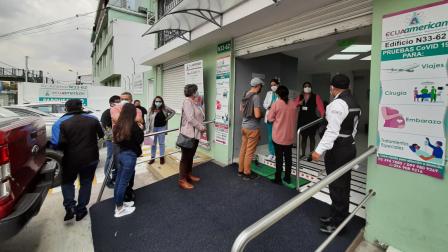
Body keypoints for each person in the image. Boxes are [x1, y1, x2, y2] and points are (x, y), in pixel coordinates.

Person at [311, 74, 361, 234]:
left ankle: (338, 224)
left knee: (337, 185)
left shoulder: (337, 104)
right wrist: (349, 143)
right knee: (342, 185)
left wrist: (318, 150)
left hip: (338, 149)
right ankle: (335, 215)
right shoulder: (354, 101)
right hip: (348, 146)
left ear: (333, 87)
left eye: (330, 87)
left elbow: (332, 131)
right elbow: (353, 129)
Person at [51, 99, 104, 222]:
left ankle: (70, 207)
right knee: (86, 183)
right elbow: (102, 135)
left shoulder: (59, 123)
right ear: (81, 107)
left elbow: (56, 144)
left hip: (70, 159)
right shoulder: (93, 119)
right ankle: (81, 210)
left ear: (66, 109)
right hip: (91, 158)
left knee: (67, 182)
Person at [110, 92, 143, 201]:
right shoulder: (114, 109)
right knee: (120, 172)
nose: (124, 100)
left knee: (129, 172)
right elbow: (118, 119)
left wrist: (127, 117)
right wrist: (131, 119)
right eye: (122, 98)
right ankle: (120, 201)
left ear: (131, 100)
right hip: (119, 145)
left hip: (131, 145)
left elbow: (140, 119)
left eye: (126, 99)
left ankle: (128, 191)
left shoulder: (137, 110)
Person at [267, 86, 298, 184]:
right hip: (289, 137)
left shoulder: (276, 104)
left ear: (277, 94)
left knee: (279, 159)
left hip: (278, 137)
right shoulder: (293, 104)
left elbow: (270, 119)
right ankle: (287, 178)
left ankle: (278, 179)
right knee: (288, 158)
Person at [178, 84, 206, 190]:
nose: (198, 92)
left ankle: (188, 174)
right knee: (185, 158)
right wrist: (201, 127)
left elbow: (200, 115)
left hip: (195, 134)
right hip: (189, 134)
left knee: (190, 156)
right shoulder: (187, 102)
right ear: (193, 92)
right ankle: (182, 180)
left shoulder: (194, 102)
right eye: (196, 91)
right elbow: (190, 118)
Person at [239, 77, 264, 180]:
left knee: (243, 149)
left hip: (244, 126)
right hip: (253, 128)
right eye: (261, 86)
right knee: (249, 151)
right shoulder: (256, 97)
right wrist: (263, 113)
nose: (261, 88)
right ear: (257, 86)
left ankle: (240, 170)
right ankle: (247, 172)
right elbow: (257, 115)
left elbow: (241, 110)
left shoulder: (245, 94)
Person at [295, 81, 325, 161]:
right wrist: (299, 103)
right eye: (305, 86)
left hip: (312, 120)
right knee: (303, 138)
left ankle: (311, 154)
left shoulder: (316, 96)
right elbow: (294, 105)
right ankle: (303, 154)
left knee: (312, 137)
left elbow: (321, 108)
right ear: (303, 88)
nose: (307, 88)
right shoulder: (300, 96)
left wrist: (323, 116)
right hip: (302, 120)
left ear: (311, 88)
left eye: (308, 86)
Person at [147, 96, 175, 165]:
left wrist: (167, 118)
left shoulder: (165, 108)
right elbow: (147, 119)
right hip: (153, 128)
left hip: (162, 128)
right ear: (154, 102)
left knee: (161, 143)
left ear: (162, 102)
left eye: (160, 101)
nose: (158, 102)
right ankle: (152, 157)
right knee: (153, 144)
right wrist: (147, 129)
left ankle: (162, 157)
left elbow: (173, 112)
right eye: (157, 101)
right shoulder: (151, 109)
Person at [101, 95, 121, 188]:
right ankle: (107, 180)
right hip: (111, 140)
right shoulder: (106, 113)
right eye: (117, 101)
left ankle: (115, 178)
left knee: (117, 160)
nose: (119, 103)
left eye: (119, 101)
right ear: (111, 103)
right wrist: (114, 138)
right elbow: (106, 129)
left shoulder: (120, 111)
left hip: (120, 139)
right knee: (110, 159)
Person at [263, 79, 280, 161]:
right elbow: (264, 104)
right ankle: (271, 153)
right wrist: (268, 106)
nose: (273, 86)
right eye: (271, 85)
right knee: (270, 137)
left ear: (278, 85)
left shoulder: (281, 94)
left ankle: (277, 154)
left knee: (277, 137)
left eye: (274, 84)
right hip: (269, 116)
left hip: (277, 118)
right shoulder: (268, 93)